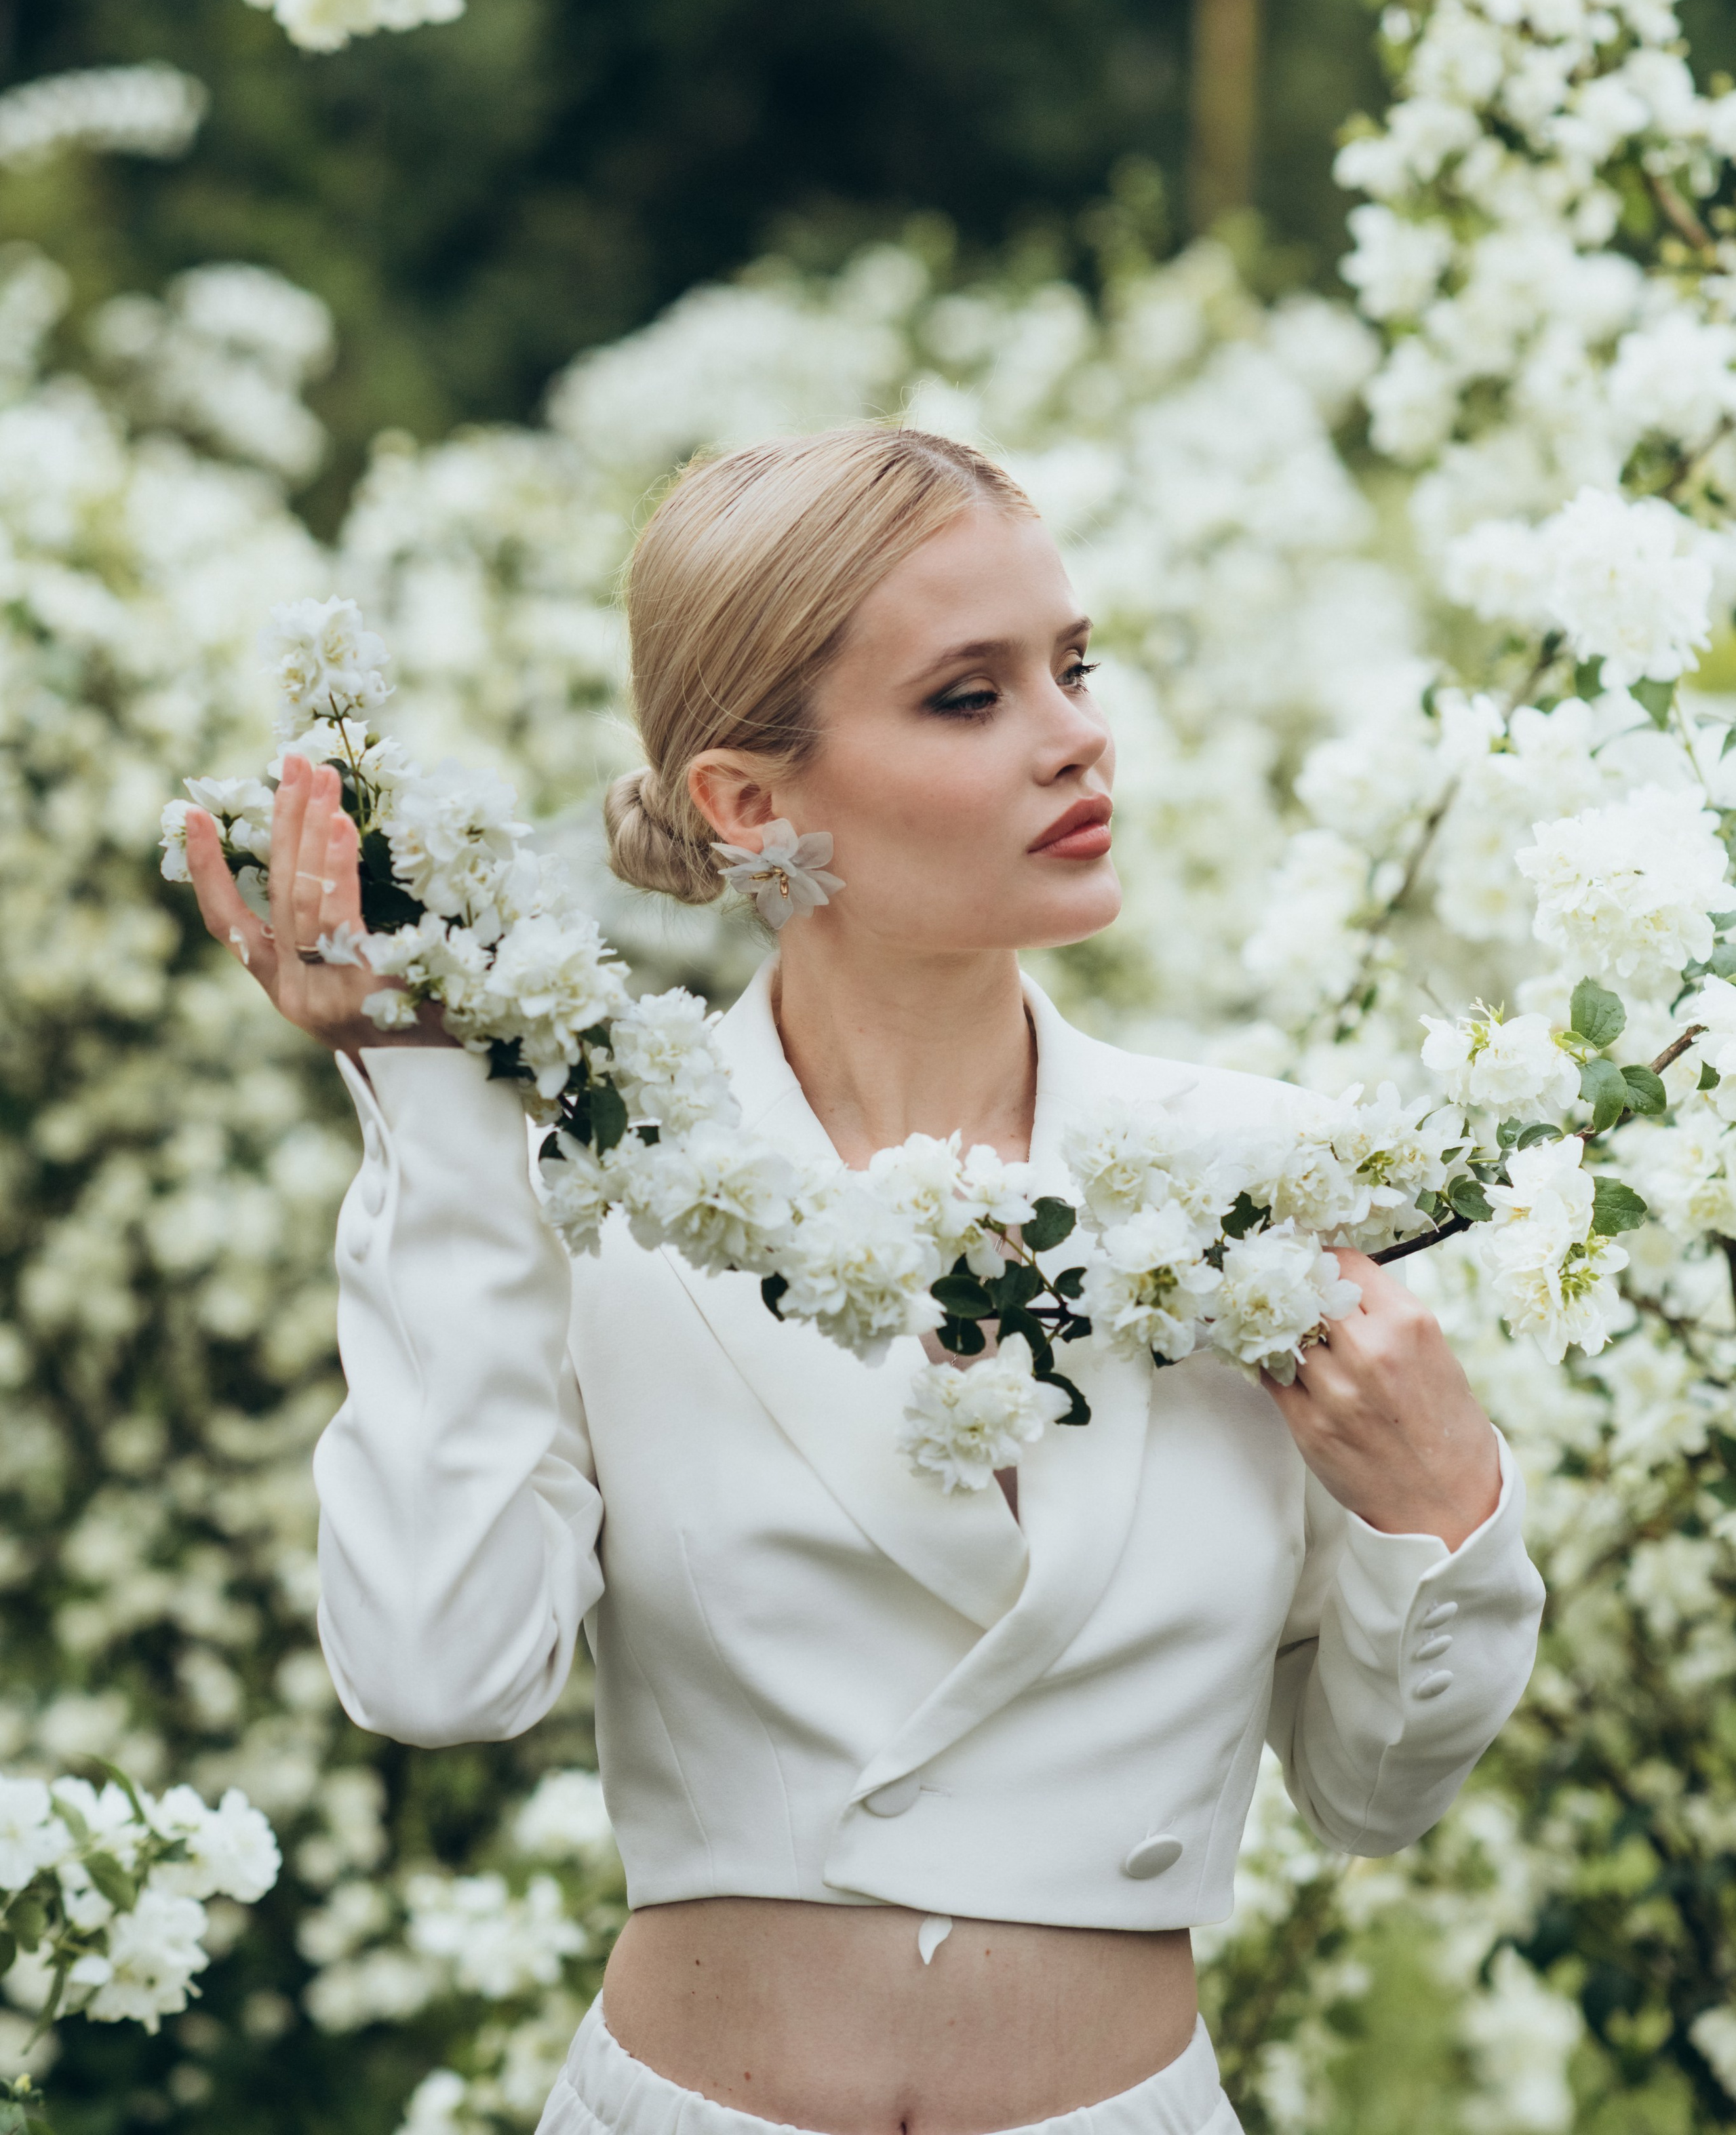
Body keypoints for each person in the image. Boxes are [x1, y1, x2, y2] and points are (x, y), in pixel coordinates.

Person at [184, 426, 1544, 2135]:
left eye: (1071, 666)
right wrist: (434, 1112)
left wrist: (1442, 1501)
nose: (1076, 737)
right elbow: (439, 1672)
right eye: (969, 697)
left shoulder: (1261, 1178)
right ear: (751, 805)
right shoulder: (594, 1192)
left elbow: (1371, 1790)